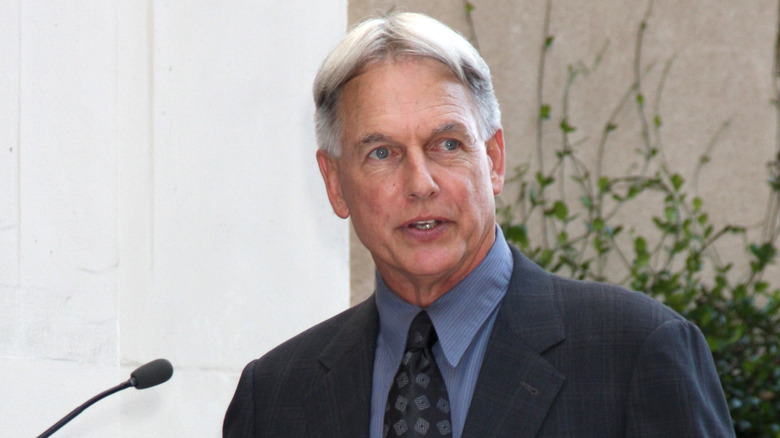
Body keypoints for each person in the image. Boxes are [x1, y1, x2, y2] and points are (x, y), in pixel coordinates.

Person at [223, 12, 735, 438]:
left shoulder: (634, 352)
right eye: (382, 153)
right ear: (335, 183)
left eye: (447, 144)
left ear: (492, 159)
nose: (420, 182)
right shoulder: (273, 399)